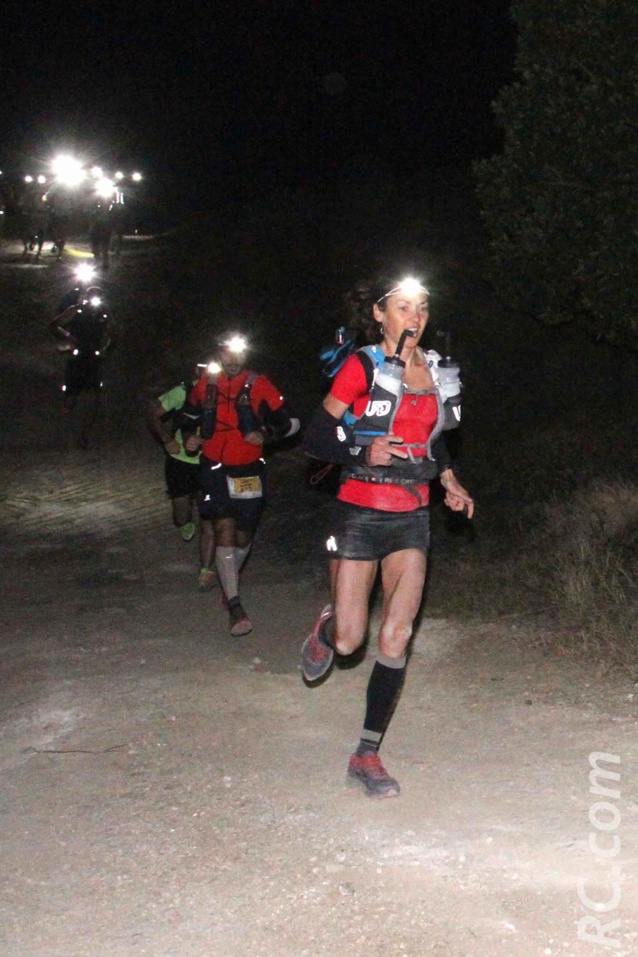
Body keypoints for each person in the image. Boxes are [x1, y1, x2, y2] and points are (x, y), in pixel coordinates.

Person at [300, 275, 474, 798]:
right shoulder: (363, 366)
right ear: (379, 314)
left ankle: (367, 753)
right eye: (403, 307)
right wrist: (361, 450)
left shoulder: (437, 369)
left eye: (422, 307)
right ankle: (328, 627)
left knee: (396, 636)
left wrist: (449, 480)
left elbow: (433, 440)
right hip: (360, 510)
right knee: (350, 641)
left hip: (412, 514)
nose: (415, 317)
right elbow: (316, 436)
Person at [183, 333, 300, 636]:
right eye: (226, 353)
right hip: (214, 467)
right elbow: (187, 416)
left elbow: (293, 423)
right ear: (219, 354)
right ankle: (235, 605)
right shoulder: (206, 384)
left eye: (238, 353)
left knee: (244, 534)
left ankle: (229, 580)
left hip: (248, 469)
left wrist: (267, 435)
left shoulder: (259, 384)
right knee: (223, 527)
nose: (233, 360)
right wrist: (190, 437)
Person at [146, 365, 211, 556]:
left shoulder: (226, 392)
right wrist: (167, 440)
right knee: (181, 514)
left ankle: (209, 556)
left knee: (209, 514)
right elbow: (153, 413)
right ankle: (184, 522)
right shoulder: (184, 391)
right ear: (198, 372)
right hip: (180, 461)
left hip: (209, 460)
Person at [49, 286, 119, 449]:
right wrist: (68, 337)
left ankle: (84, 437)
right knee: (70, 398)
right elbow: (54, 325)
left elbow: (115, 334)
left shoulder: (104, 315)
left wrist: (106, 351)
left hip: (93, 359)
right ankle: (59, 432)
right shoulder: (76, 311)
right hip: (77, 357)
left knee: (93, 398)